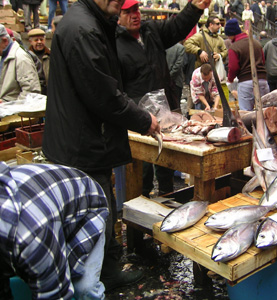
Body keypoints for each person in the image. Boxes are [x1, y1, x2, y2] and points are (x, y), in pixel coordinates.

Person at [42, 0, 193, 290]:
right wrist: (142, 119)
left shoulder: (94, 22)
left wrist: (194, 8)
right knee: (97, 211)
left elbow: (173, 28)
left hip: (88, 139)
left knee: (103, 206)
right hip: (83, 144)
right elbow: (103, 95)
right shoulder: (84, 30)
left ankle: (104, 269)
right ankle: (101, 277)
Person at [116, 0, 205, 197]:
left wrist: (195, 7)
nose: (135, 15)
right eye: (128, 11)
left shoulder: (151, 31)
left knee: (167, 159)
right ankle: (141, 201)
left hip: (166, 111)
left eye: (136, 9)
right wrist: (136, 115)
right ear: (118, 16)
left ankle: (167, 196)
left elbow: (176, 27)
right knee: (142, 167)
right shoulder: (114, 44)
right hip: (138, 118)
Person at [0, 162, 109, 300]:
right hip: (48, 207)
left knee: (84, 289)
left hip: (86, 206)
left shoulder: (31, 239)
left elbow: (55, 295)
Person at [225, 18, 269, 110]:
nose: (228, 38)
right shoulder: (256, 43)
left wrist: (230, 79)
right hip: (262, 80)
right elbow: (263, 61)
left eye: (228, 35)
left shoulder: (234, 47)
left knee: (246, 114)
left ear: (232, 34)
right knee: (265, 113)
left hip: (246, 82)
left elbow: (233, 67)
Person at [0, 24, 40, 103]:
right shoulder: (3, 56)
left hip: (13, 112)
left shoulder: (21, 58)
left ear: (5, 41)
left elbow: (30, 93)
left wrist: (9, 105)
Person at [28, 28, 50, 95]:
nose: (39, 42)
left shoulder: (50, 55)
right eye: (36, 40)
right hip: (34, 93)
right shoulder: (27, 57)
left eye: (41, 39)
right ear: (30, 42)